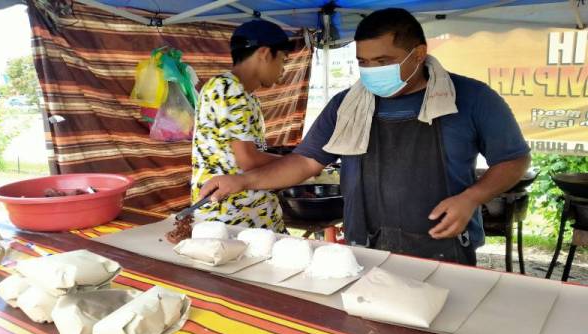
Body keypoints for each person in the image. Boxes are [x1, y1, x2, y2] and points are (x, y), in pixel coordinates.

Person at [198, 8, 531, 265]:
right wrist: (243, 182)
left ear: (418, 54)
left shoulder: (471, 98)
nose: (371, 70)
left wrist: (471, 198)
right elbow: (304, 162)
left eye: (382, 61)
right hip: (364, 248)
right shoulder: (346, 104)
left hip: (444, 251)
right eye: (363, 62)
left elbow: (514, 159)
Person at [191, 19, 294, 232]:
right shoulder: (226, 87)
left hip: (252, 212)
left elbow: (254, 152)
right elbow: (249, 159)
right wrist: (298, 165)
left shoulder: (247, 96)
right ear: (265, 53)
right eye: (283, 60)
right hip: (230, 216)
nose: (283, 70)